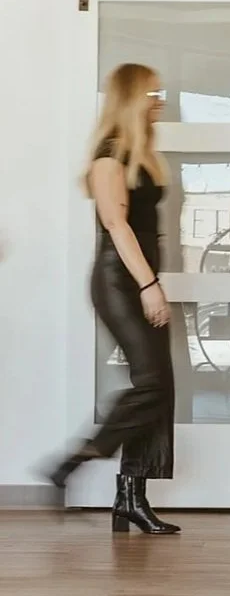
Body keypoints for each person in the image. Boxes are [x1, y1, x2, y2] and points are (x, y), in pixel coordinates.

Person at [45, 63, 180, 535]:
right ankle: (82, 456)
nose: (160, 99)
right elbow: (117, 226)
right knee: (150, 384)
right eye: (152, 92)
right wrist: (148, 285)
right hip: (118, 283)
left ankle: (130, 497)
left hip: (139, 279)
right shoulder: (109, 157)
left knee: (159, 386)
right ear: (132, 98)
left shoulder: (143, 153)